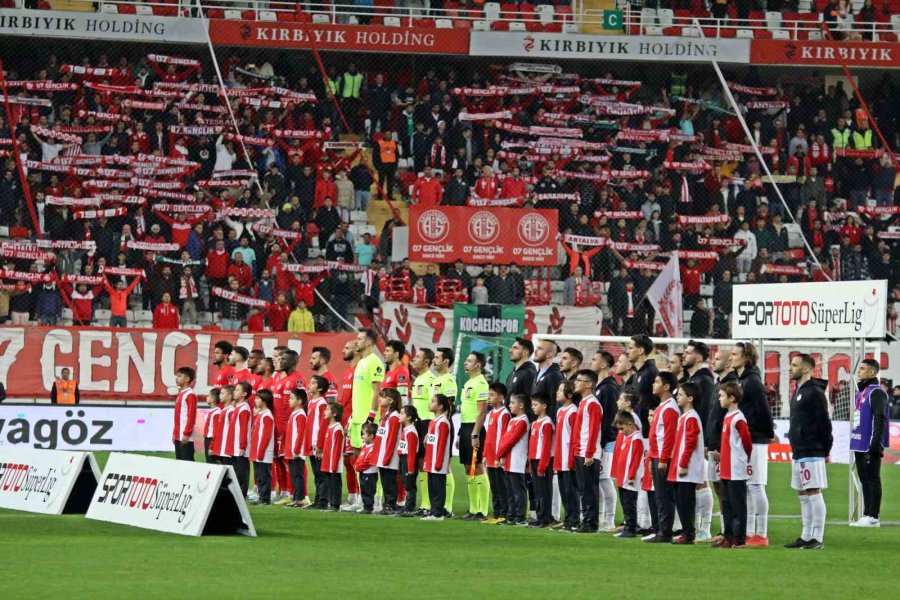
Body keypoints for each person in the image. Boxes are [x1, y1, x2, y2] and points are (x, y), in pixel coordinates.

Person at [785, 354, 832, 550]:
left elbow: (824, 422)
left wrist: (826, 449)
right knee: (802, 492)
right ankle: (806, 535)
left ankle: (817, 537)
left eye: (794, 365)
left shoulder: (814, 392)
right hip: (798, 449)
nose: (790, 368)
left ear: (806, 369)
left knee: (813, 490)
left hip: (812, 448)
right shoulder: (798, 391)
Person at [730, 342, 775, 546]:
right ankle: (749, 532)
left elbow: (764, 410)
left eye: (735, 354)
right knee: (748, 486)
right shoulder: (743, 380)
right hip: (746, 438)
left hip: (756, 439)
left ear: (746, 357)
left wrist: (768, 433)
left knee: (756, 485)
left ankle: (762, 533)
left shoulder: (753, 382)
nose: (731, 357)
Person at [850, 358, 889, 528]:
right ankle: (866, 514)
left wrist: (875, 444)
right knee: (864, 479)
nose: (859, 371)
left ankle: (874, 516)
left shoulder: (876, 392)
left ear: (872, 372)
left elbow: (880, 417)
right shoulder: (862, 392)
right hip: (859, 442)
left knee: (873, 479)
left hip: (870, 443)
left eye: (863, 369)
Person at [668, 382, 706, 545]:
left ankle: (689, 534)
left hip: (687, 469)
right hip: (681, 467)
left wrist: (683, 464)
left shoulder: (691, 417)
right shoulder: (685, 417)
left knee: (685, 502)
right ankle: (687, 532)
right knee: (682, 501)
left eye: (681, 395)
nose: (678, 396)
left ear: (690, 398)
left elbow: (690, 442)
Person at [645, 371, 680, 543]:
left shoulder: (670, 408)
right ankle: (661, 528)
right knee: (660, 494)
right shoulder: (662, 407)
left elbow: (669, 436)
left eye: (657, 381)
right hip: (656, 455)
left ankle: (665, 531)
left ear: (666, 386)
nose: (653, 384)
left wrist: (664, 458)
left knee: (664, 495)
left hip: (662, 457)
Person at [717, 381, 752, 549]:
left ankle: (739, 540)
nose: (719, 398)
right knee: (727, 505)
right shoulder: (727, 416)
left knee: (738, 505)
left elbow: (747, 441)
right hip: (725, 469)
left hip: (735, 469)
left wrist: (744, 459)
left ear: (732, 398)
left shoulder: (738, 418)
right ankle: (729, 537)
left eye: (722, 396)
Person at [459, 351, 490, 521]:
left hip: (474, 428)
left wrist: (475, 433)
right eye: (466, 360)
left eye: (469, 361)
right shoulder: (469, 383)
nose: (465, 363)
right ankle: (473, 508)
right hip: (465, 427)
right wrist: (460, 433)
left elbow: (482, 411)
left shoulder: (481, 383)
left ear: (478, 365)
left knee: (477, 465)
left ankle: (483, 511)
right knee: (466, 467)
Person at [592, 350, 620, 531]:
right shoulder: (599, 386)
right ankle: (601, 517)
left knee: (604, 479)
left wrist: (603, 443)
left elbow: (610, 417)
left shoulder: (609, 388)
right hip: (600, 441)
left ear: (603, 365)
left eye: (594, 359)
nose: (591, 362)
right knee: (599, 480)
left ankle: (609, 520)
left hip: (606, 441)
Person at [572, 369, 601, 533]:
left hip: (588, 453)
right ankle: (586, 520)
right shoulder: (583, 403)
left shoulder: (592, 404)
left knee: (589, 490)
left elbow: (593, 430)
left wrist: (589, 453)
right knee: (583, 489)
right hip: (581, 451)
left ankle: (591, 523)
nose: (575, 382)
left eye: (579, 380)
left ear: (589, 384)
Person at [431, 347, 458, 514]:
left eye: (437, 357)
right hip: (435, 425)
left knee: (445, 465)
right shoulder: (435, 380)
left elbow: (449, 407)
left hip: (444, 426)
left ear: (446, 361)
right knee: (435, 464)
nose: (434, 360)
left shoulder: (448, 380)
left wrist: (442, 427)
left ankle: (446, 506)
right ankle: (437, 505)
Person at [496, 394, 530, 527]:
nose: (509, 405)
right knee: (510, 491)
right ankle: (511, 516)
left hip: (517, 460)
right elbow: (505, 438)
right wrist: (502, 455)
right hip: (509, 459)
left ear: (521, 405)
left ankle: (520, 517)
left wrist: (499, 453)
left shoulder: (523, 421)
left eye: (512, 403)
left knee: (518, 491)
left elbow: (511, 440)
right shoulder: (513, 420)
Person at [410, 347, 436, 515]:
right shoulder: (418, 379)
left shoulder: (431, 380)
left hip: (426, 423)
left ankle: (428, 504)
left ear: (426, 361)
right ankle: (424, 503)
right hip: (416, 424)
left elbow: (434, 406)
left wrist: (431, 429)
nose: (414, 359)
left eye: (418, 357)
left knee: (425, 464)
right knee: (418, 463)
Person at [350, 328, 384, 454]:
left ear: (368, 342)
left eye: (359, 339)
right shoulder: (361, 362)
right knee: (357, 460)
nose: (356, 342)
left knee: (368, 460)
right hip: (357, 419)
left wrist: (371, 416)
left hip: (367, 419)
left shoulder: (375, 362)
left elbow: (377, 392)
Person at [552, 381, 580, 532]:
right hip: (560, 457)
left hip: (568, 459)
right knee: (564, 491)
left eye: (561, 390)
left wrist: (572, 459)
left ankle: (574, 520)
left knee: (571, 491)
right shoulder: (560, 411)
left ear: (569, 395)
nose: (557, 392)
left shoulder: (573, 411)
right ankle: (568, 519)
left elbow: (574, 437)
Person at [483, 382, 511, 525]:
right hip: (490, 457)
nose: (488, 397)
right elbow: (489, 437)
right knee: (494, 487)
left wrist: (501, 456)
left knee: (502, 487)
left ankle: (504, 514)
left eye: (492, 395)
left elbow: (504, 437)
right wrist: (485, 454)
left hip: (498, 459)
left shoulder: (505, 414)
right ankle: (497, 512)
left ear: (500, 398)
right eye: (488, 394)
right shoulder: (491, 413)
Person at [422, 393, 453, 521]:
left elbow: (442, 444)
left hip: (437, 462)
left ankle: (438, 513)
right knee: (432, 487)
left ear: (440, 406)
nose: (430, 403)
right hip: (430, 461)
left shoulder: (443, 423)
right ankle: (433, 511)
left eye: (433, 401)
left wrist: (439, 462)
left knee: (438, 488)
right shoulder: (433, 422)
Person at [613, 411, 644, 539]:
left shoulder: (636, 438)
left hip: (630, 480)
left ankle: (631, 529)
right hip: (623, 478)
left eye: (622, 428)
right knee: (625, 505)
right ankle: (627, 527)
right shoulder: (627, 437)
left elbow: (636, 459)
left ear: (630, 424)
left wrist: (631, 476)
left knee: (630, 504)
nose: (621, 432)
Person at [374, 388, 403, 514]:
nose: (379, 399)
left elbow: (391, 439)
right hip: (383, 454)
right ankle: (388, 505)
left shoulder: (394, 417)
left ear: (390, 400)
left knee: (390, 482)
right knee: (385, 481)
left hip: (390, 456)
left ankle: (391, 505)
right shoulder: (386, 414)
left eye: (383, 397)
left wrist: (387, 456)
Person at [528, 393, 554, 528]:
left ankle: (545, 518)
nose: (533, 407)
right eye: (532, 405)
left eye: (535, 405)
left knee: (544, 491)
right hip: (534, 460)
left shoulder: (547, 423)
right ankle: (540, 516)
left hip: (542, 461)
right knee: (538, 491)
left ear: (544, 406)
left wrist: (542, 466)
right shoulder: (535, 423)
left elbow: (546, 447)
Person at [305, 376, 330, 509]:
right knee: (316, 474)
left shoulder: (322, 403)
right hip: (311, 444)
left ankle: (323, 501)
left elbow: (323, 425)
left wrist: (320, 445)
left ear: (320, 388)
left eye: (313, 383)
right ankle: (318, 499)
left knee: (321, 474)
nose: (309, 384)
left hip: (317, 445)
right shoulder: (310, 402)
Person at [250, 389, 275, 505]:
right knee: (259, 476)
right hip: (257, 452)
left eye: (257, 399)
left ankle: (265, 498)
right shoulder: (261, 415)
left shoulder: (267, 416)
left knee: (264, 476)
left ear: (264, 401)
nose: (255, 401)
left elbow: (266, 436)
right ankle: (261, 496)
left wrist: (260, 451)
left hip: (264, 453)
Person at [319, 402, 346, 512]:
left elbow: (337, 449)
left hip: (333, 464)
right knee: (329, 484)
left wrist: (333, 464)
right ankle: (331, 503)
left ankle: (335, 505)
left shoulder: (337, 428)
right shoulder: (330, 427)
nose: (324, 412)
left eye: (327, 410)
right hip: (327, 463)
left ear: (334, 414)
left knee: (335, 484)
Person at [284, 388, 308, 507]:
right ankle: (295, 497)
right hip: (292, 451)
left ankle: (300, 499)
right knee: (294, 475)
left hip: (297, 452)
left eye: (292, 398)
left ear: (299, 401)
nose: (289, 400)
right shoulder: (294, 414)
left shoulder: (300, 415)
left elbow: (301, 433)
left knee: (298, 475)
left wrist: (297, 450)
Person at [397, 405, 421, 517]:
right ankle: (407, 507)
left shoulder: (411, 431)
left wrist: (411, 468)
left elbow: (411, 451)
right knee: (405, 483)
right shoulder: (406, 430)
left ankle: (409, 509)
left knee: (410, 486)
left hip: (408, 460)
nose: (399, 415)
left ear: (409, 417)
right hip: (403, 459)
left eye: (402, 413)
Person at [230, 382, 254, 497]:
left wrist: (242, 446)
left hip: (240, 447)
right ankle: (237, 493)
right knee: (236, 471)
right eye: (235, 389)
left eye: (237, 390)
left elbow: (244, 429)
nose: (234, 392)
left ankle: (242, 494)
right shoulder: (237, 408)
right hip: (235, 446)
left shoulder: (244, 409)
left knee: (242, 472)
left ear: (244, 393)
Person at [172, 366, 198, 461]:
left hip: (185, 436)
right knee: (179, 463)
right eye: (176, 376)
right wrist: (175, 433)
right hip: (178, 435)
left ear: (187, 379)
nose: (176, 378)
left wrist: (187, 433)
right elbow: (178, 417)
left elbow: (191, 416)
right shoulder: (181, 394)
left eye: (179, 376)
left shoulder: (190, 395)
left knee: (187, 463)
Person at [354, 422, 379, 515]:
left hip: (370, 473)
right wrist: (357, 465)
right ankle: (366, 506)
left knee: (369, 491)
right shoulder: (364, 446)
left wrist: (359, 467)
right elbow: (360, 457)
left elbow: (368, 461)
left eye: (364, 434)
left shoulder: (373, 448)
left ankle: (369, 507)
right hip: (363, 472)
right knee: (364, 489)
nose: (362, 436)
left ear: (371, 435)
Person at [382, 339, 411, 406]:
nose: (384, 353)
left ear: (396, 354)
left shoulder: (401, 373)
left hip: (395, 415)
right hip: (386, 414)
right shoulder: (389, 373)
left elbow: (403, 399)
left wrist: (400, 415)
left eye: (387, 351)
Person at [203, 389, 222, 463]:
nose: (206, 397)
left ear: (213, 399)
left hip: (211, 440)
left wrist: (212, 446)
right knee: (208, 462)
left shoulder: (217, 413)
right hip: (208, 440)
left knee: (212, 462)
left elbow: (216, 432)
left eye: (208, 396)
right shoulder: (212, 412)